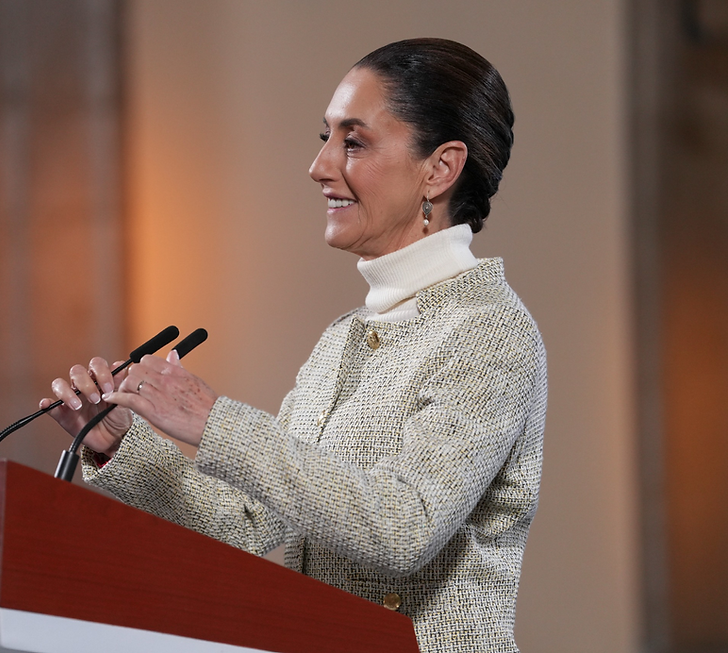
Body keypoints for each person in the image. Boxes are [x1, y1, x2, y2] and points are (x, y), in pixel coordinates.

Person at [42, 38, 546, 653]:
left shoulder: (489, 330)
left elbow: (402, 529)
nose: (320, 165)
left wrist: (213, 420)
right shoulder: (343, 340)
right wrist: (121, 444)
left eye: (353, 141)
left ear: (439, 169)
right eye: (326, 137)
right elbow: (247, 524)